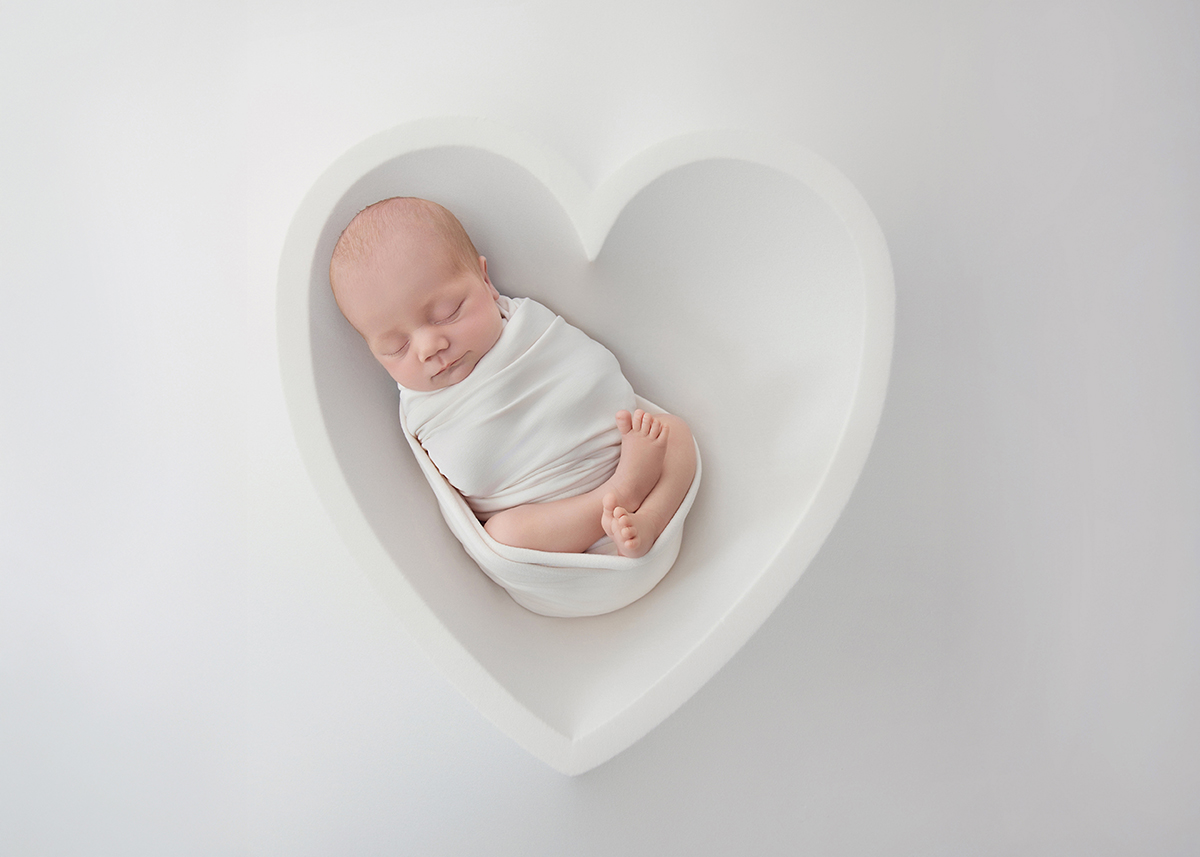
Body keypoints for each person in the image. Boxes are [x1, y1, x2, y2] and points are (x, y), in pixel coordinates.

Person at [329, 197, 696, 559]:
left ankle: (649, 519)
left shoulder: (525, 326)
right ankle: (623, 492)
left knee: (675, 432)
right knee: (503, 535)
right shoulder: (420, 408)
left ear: (485, 281)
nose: (428, 347)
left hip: (614, 455)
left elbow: (589, 371)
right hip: (551, 530)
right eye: (395, 347)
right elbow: (463, 479)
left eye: (447, 312)